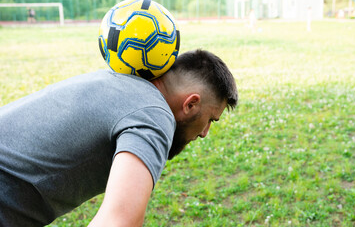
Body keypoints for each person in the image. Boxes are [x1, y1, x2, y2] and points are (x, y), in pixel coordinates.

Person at [0, 49, 238, 226]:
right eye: (211, 120)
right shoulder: (154, 113)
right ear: (191, 104)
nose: (205, 133)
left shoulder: (115, 82)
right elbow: (120, 221)